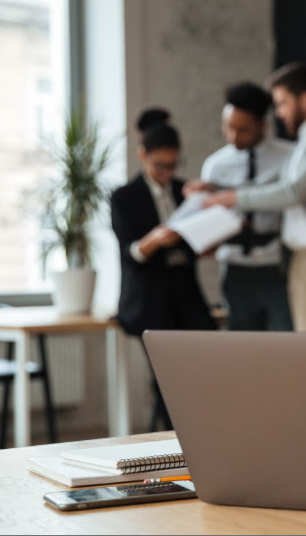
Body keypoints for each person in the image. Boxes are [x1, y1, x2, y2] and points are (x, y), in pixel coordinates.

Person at [202, 64, 306, 332]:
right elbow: (274, 181)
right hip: (301, 261)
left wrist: (233, 197)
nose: (278, 113)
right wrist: (217, 191)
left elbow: (296, 191)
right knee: (304, 351)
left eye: (282, 103)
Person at [111, 118, 216, 429]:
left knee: (206, 369)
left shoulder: (185, 191)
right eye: (160, 165)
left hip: (187, 295)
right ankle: (177, 445)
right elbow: (129, 252)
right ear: (142, 155)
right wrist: (155, 239)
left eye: (173, 164)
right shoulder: (124, 196)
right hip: (150, 299)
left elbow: (197, 243)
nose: (167, 172)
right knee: (168, 381)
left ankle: (201, 434)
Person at [195, 82, 294, 331]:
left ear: (263, 125)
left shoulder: (289, 156)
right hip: (234, 269)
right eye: (228, 128)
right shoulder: (215, 165)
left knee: (285, 346)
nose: (233, 137)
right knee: (242, 349)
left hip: (278, 267)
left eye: (243, 130)